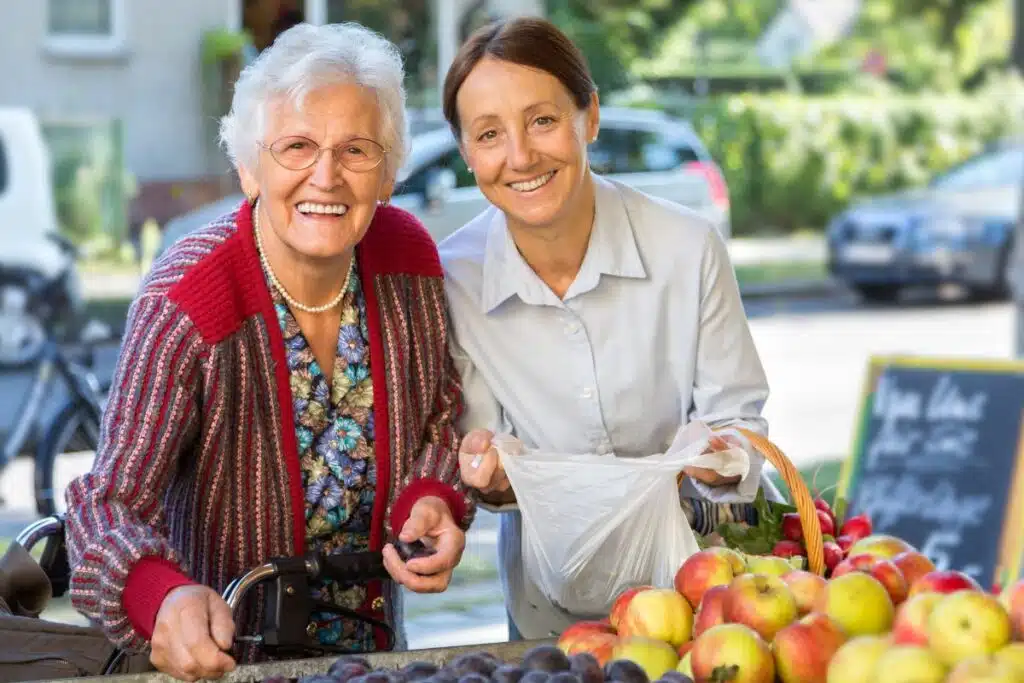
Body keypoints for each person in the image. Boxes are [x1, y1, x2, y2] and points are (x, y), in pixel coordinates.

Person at [64, 22, 473, 682]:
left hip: (374, 660)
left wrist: (430, 497)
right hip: (221, 665)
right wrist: (159, 596)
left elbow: (438, 419)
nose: (326, 175)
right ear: (249, 167)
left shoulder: (408, 261)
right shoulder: (189, 298)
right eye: (296, 146)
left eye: (356, 149)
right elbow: (104, 503)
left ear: (391, 170)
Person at [437, 17, 783, 640]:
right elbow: (484, 456)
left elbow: (743, 429)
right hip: (549, 615)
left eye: (543, 120)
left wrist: (716, 454)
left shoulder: (687, 246)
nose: (520, 156)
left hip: (701, 601)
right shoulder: (455, 279)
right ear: (467, 153)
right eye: (489, 134)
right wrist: (488, 477)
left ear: (588, 116)